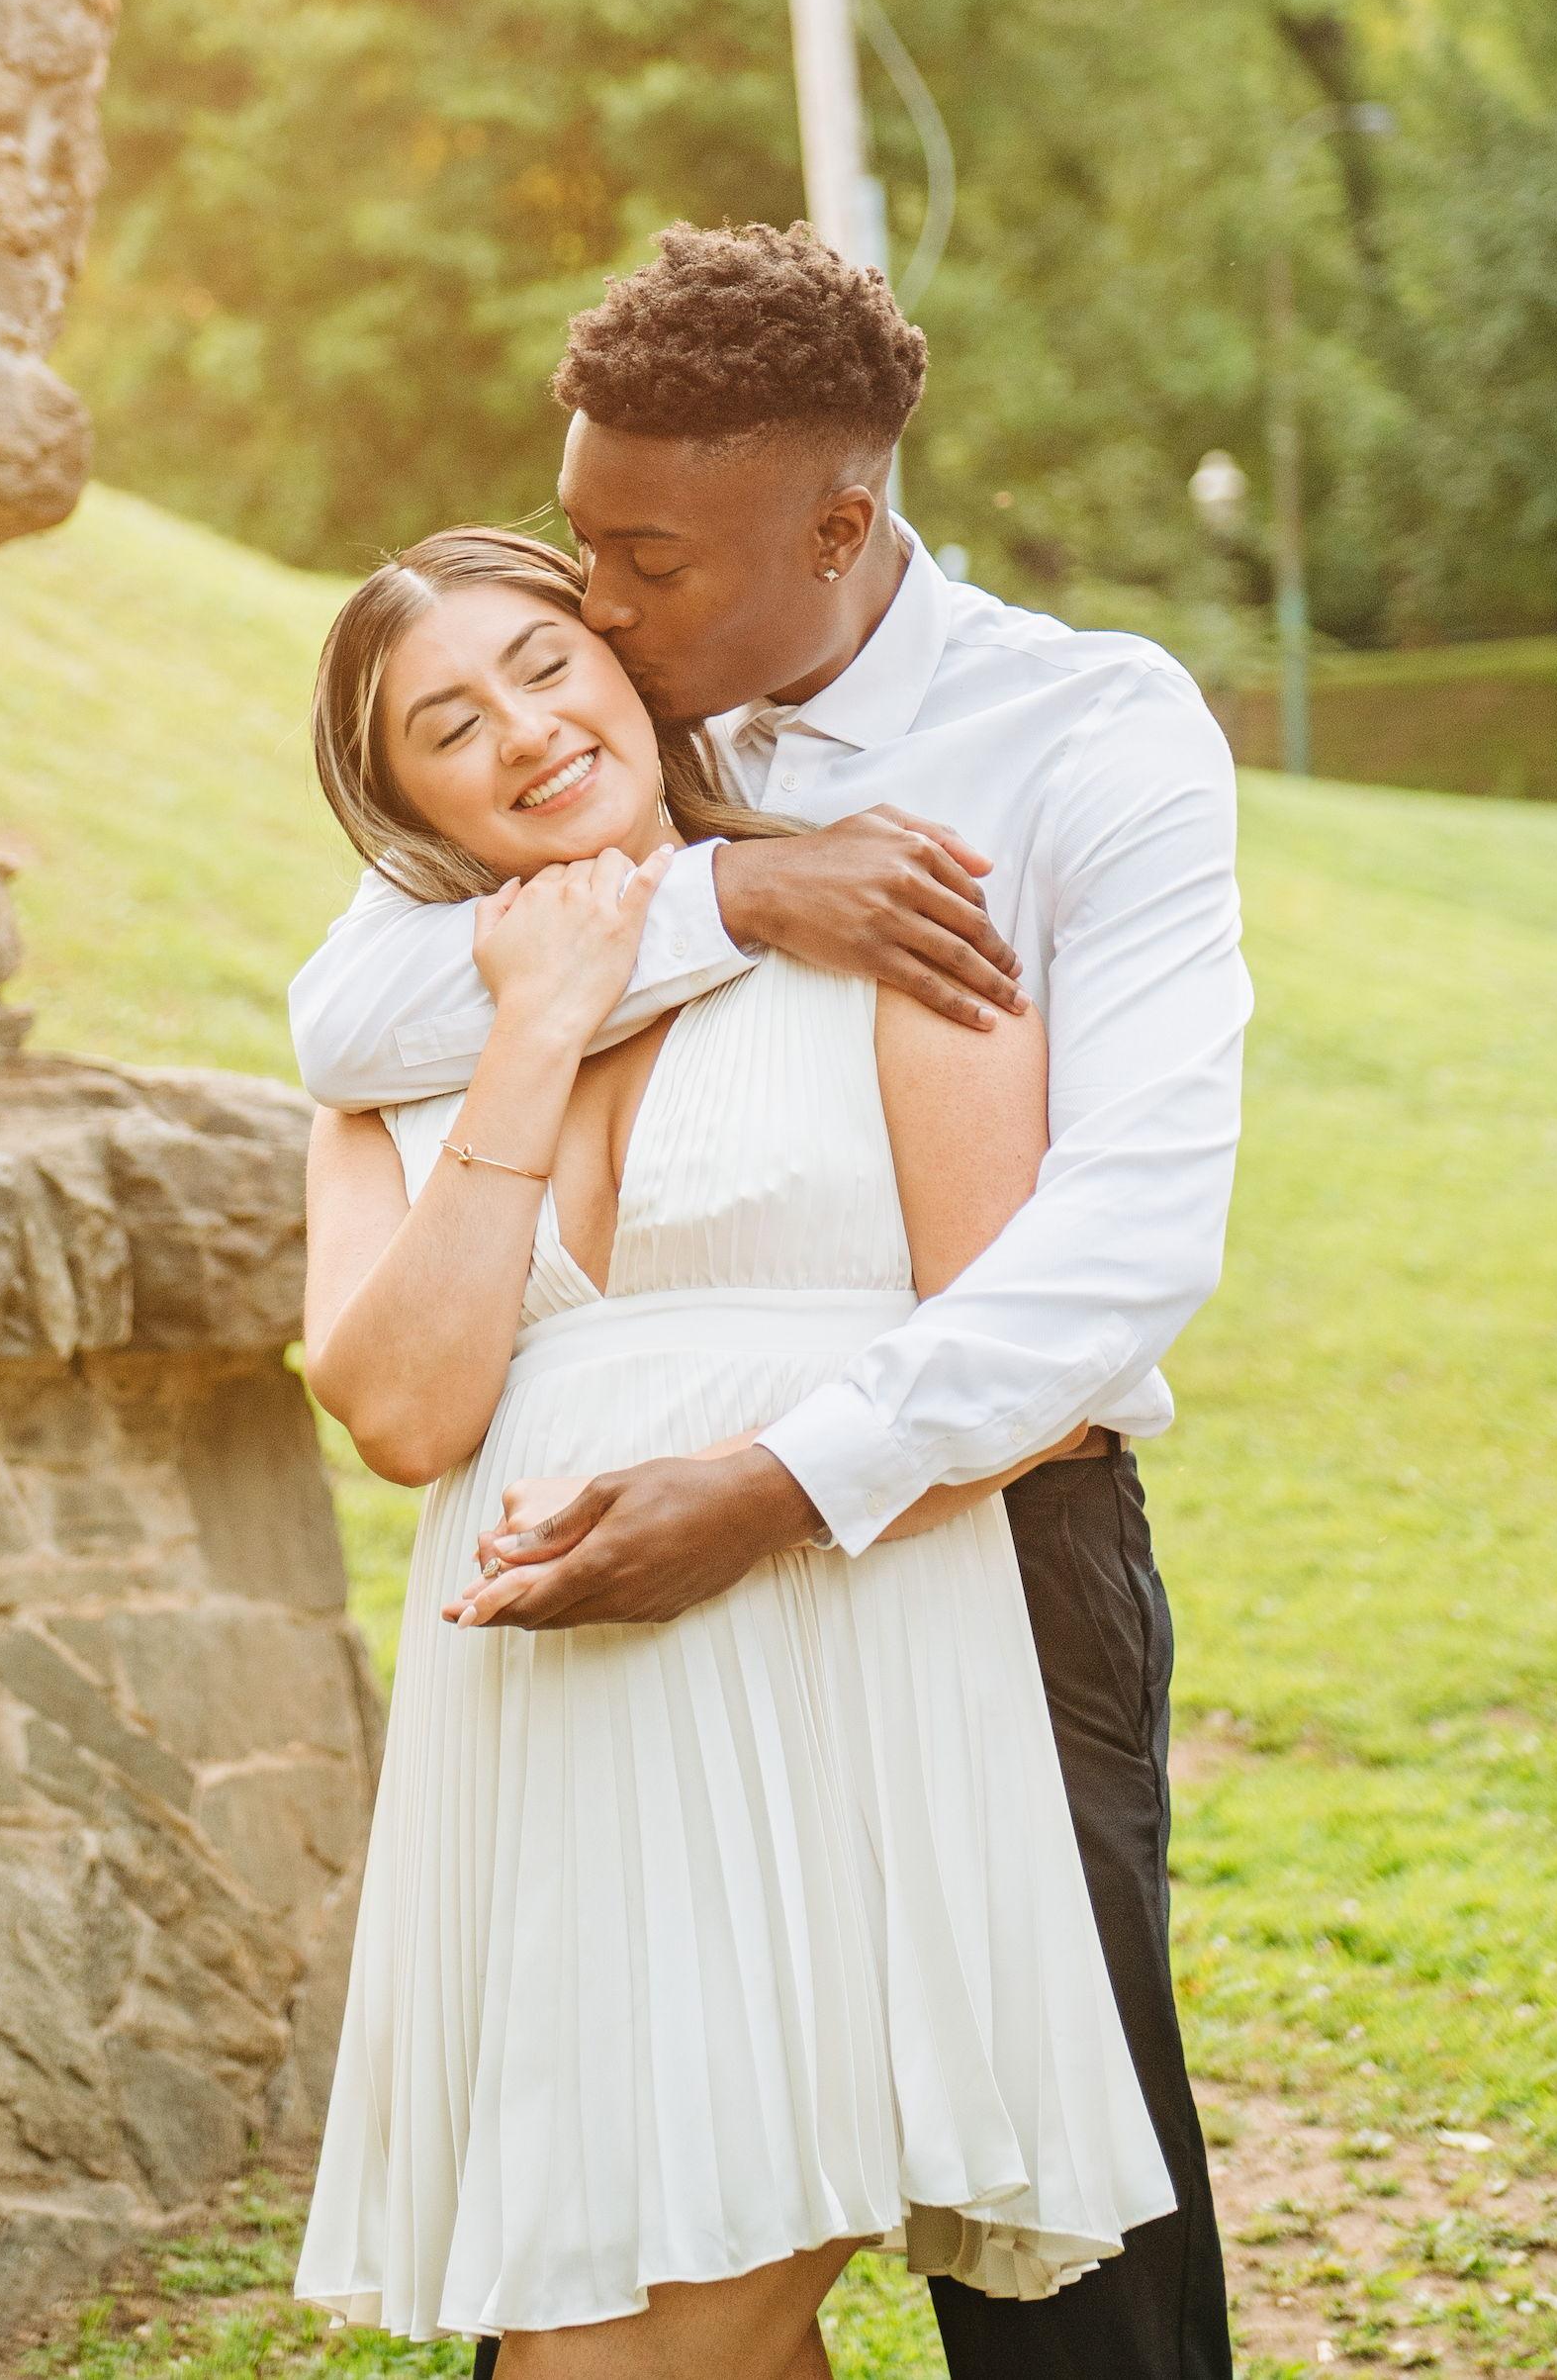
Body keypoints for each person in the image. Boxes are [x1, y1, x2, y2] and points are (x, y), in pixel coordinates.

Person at [292, 223, 1249, 2380]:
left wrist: (768, 1486)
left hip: (972, 1544)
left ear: (837, 525)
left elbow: (1116, 1242)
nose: (599, 611)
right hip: (599, 1628)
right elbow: (346, 1019)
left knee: (1061, 2244)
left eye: (644, 564)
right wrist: (736, 892)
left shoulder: (1083, 732)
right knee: (623, 2214)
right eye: (581, 546)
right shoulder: (609, 710)